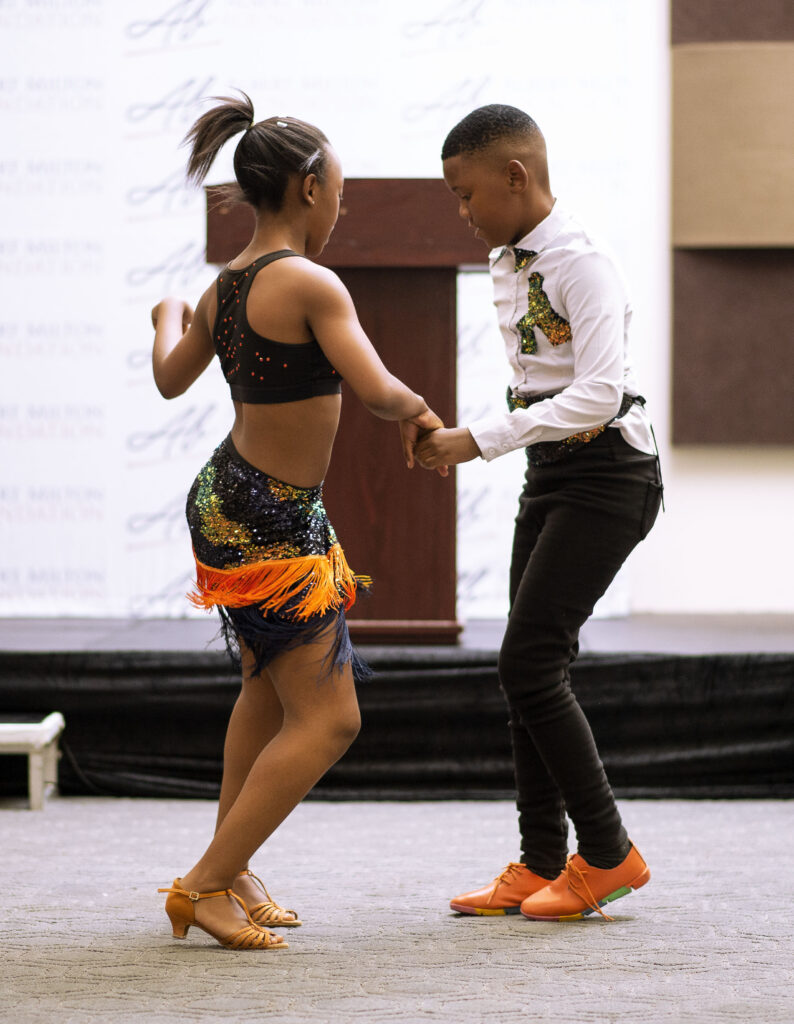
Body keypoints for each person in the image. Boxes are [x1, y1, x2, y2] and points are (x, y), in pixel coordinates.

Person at [151, 92, 444, 950]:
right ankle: (204, 885)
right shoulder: (312, 282)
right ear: (311, 188)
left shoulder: (224, 287)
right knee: (330, 718)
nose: (340, 209)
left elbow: (170, 379)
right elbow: (378, 389)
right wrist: (422, 413)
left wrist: (167, 318)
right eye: (340, 193)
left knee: (264, 689)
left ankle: (231, 866)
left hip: (233, 500)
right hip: (268, 518)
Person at [411, 104, 663, 921]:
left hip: (612, 476)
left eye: (466, 194)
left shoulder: (580, 261)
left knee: (528, 663)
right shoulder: (507, 258)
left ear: (516, 177)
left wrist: (479, 439)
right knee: (526, 667)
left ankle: (609, 854)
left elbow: (600, 392)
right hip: (554, 473)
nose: (462, 212)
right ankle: (541, 860)